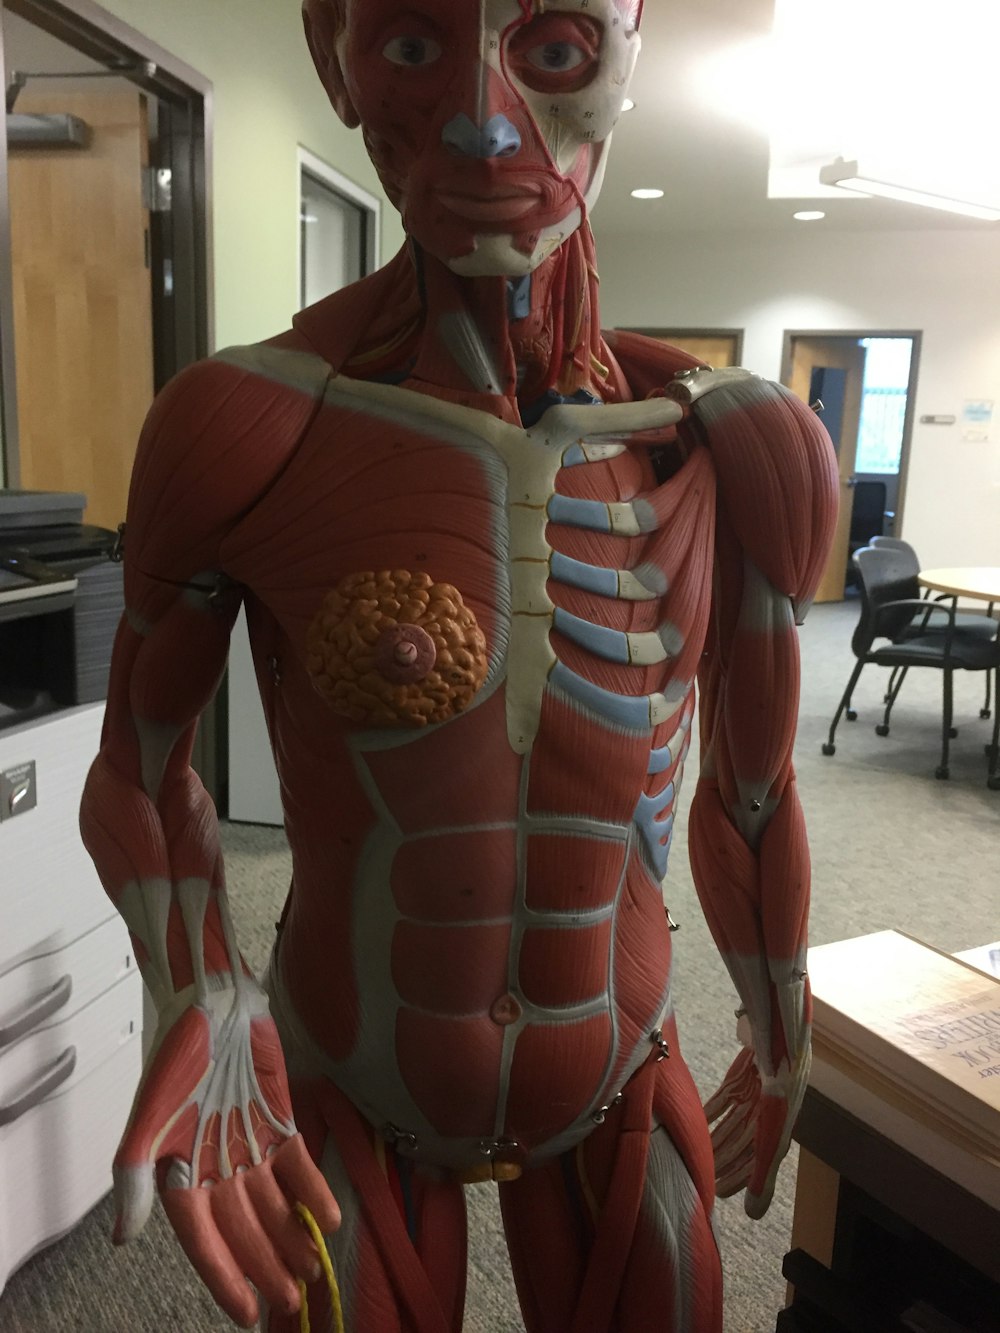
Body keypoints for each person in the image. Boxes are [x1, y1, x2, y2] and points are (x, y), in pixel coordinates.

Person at [80, 2, 838, 1330]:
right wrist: (197, 986)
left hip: (613, 1063)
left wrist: (783, 1020)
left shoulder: (735, 446)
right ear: (340, 66)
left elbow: (756, 794)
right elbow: (141, 777)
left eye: (552, 51)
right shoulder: (248, 423)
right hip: (355, 1074)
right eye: (418, 49)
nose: (487, 124)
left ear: (626, 61)